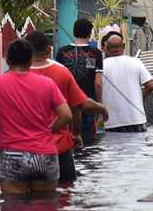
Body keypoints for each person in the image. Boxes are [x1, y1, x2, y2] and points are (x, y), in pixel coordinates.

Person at [0, 39, 72, 195]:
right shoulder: (47, 83)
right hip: (44, 153)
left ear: (7, 60)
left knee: (13, 210)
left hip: (12, 154)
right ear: (30, 60)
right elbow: (66, 115)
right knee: (46, 209)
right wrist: (50, 129)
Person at [26, 31, 108, 183]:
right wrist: (76, 133)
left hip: (22, 150)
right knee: (64, 195)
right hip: (57, 147)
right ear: (49, 50)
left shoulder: (13, 75)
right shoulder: (61, 72)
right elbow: (78, 106)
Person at [55, 18, 104, 144]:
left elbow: (56, 81)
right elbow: (98, 83)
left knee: (68, 140)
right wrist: (98, 104)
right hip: (88, 103)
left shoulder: (62, 52)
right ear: (90, 33)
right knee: (88, 144)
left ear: (74, 32)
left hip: (66, 106)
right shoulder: (96, 53)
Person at [100, 33, 153, 132]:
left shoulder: (101, 66)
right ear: (124, 46)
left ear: (106, 48)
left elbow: (97, 86)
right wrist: (139, 99)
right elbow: (150, 86)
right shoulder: (136, 62)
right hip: (137, 119)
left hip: (112, 122)